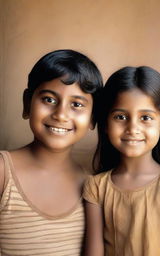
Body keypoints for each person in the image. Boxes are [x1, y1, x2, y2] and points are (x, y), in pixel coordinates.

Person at [83, 66, 160, 256]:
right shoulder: (96, 188)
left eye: (145, 117)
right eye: (120, 117)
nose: (133, 128)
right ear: (105, 123)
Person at [0, 49, 103, 255]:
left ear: (93, 118)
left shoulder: (91, 186)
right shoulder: (3, 171)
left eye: (76, 104)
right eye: (48, 99)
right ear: (27, 103)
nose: (61, 114)